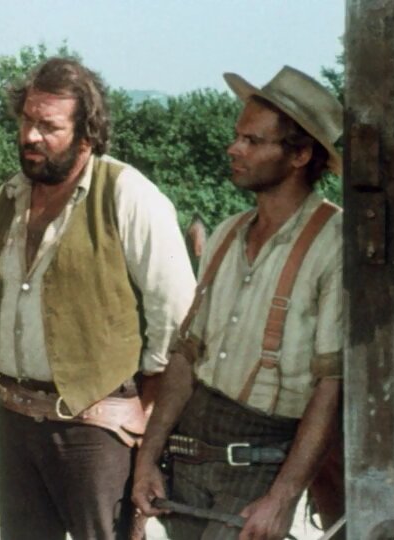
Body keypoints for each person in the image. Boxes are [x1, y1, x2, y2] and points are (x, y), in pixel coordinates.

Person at [0, 57, 196, 539]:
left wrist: (145, 410)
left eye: (49, 126)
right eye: (26, 120)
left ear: (87, 135)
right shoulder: (6, 200)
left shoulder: (129, 195)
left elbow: (178, 316)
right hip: (15, 421)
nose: (30, 136)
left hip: (97, 429)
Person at [131, 66, 344, 540]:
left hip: (261, 460)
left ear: (300, 155)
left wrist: (282, 498)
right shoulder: (227, 234)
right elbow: (185, 356)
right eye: (237, 136)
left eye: (252, 140)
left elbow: (331, 385)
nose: (233, 148)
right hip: (190, 452)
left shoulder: (334, 243)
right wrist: (148, 458)